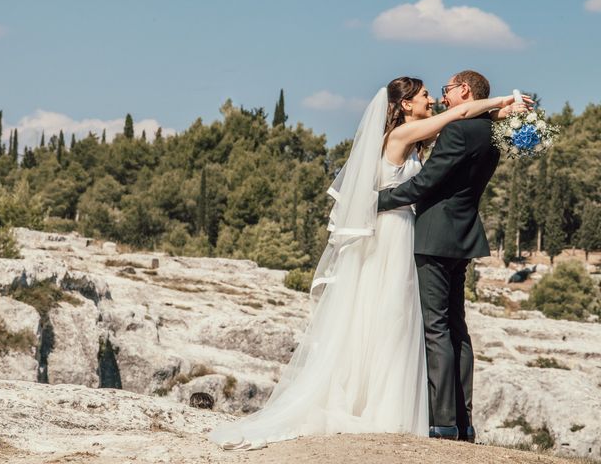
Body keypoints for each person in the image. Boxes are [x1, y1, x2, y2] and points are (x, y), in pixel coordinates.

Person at [209, 74, 528, 450]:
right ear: (406, 104)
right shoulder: (401, 138)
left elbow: (459, 130)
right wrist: (505, 103)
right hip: (395, 230)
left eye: (440, 92)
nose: (434, 99)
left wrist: (503, 113)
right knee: (398, 315)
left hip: (411, 232)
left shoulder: (424, 139)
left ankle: (424, 415)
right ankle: (415, 414)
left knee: (408, 320)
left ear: (462, 90)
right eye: (427, 94)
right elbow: (463, 119)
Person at [377, 70, 521, 442]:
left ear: (465, 91)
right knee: (458, 329)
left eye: (447, 89)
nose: (442, 97)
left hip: (433, 237)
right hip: (464, 237)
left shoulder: (457, 131)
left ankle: (442, 423)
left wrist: (376, 201)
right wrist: (501, 112)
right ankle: (464, 421)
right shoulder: (491, 134)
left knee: (436, 328)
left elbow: (426, 182)